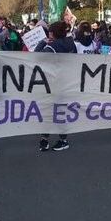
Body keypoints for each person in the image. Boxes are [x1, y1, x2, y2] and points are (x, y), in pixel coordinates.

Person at [37, 21, 77, 151]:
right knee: (61, 111)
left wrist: (42, 42)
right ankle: (63, 139)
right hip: (68, 83)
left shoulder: (51, 47)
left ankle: (45, 138)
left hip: (51, 83)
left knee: (48, 112)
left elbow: (35, 57)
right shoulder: (71, 44)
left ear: (52, 33)